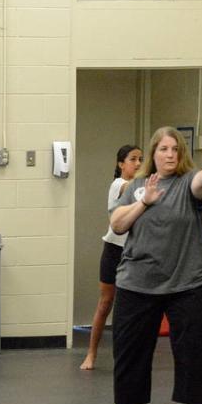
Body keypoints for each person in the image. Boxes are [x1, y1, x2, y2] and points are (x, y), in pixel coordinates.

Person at [107, 126, 202, 404]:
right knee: (130, 347)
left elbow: (200, 185)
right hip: (138, 279)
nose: (170, 154)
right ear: (154, 153)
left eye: (175, 149)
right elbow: (118, 225)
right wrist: (145, 201)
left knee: (196, 347)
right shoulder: (136, 186)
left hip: (188, 280)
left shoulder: (188, 181)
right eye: (164, 149)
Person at [80, 144, 143, 371]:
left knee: (132, 306)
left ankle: (128, 355)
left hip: (134, 253)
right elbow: (131, 186)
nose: (137, 164)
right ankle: (91, 354)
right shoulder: (120, 184)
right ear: (120, 164)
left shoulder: (143, 189)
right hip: (114, 251)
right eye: (133, 159)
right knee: (106, 303)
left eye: (140, 159)